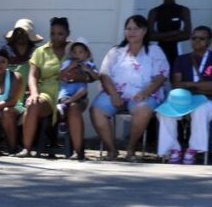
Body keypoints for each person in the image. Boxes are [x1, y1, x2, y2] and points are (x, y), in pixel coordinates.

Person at [90, 15, 170, 162]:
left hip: (145, 93)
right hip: (116, 92)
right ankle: (112, 150)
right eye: (128, 28)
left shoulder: (154, 50)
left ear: (144, 31)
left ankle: (130, 149)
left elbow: (161, 75)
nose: (131, 32)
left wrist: (145, 92)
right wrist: (114, 94)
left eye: (136, 28)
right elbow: (105, 74)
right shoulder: (116, 51)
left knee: (143, 110)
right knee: (96, 110)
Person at [19, 17, 94, 160]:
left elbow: (90, 74)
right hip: (47, 93)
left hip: (72, 93)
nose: (56, 37)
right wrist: (34, 94)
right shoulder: (41, 52)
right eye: (52, 33)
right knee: (33, 104)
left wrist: (78, 77)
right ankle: (27, 148)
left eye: (60, 34)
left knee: (73, 107)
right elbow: (33, 76)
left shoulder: (76, 49)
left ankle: (78, 152)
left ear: (68, 33)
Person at [156, 26, 212, 164]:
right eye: (194, 38)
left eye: (201, 38)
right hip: (184, 99)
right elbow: (176, 84)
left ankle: (193, 149)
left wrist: (189, 85)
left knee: (201, 110)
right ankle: (173, 149)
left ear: (209, 41)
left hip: (207, 100)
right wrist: (201, 86)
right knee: (164, 112)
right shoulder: (182, 59)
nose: (197, 41)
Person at [147, 0, 191, 68]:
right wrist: (175, 32)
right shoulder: (154, 12)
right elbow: (150, 36)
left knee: (175, 75)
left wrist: (161, 36)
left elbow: (187, 34)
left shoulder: (183, 10)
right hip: (159, 50)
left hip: (177, 49)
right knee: (159, 74)